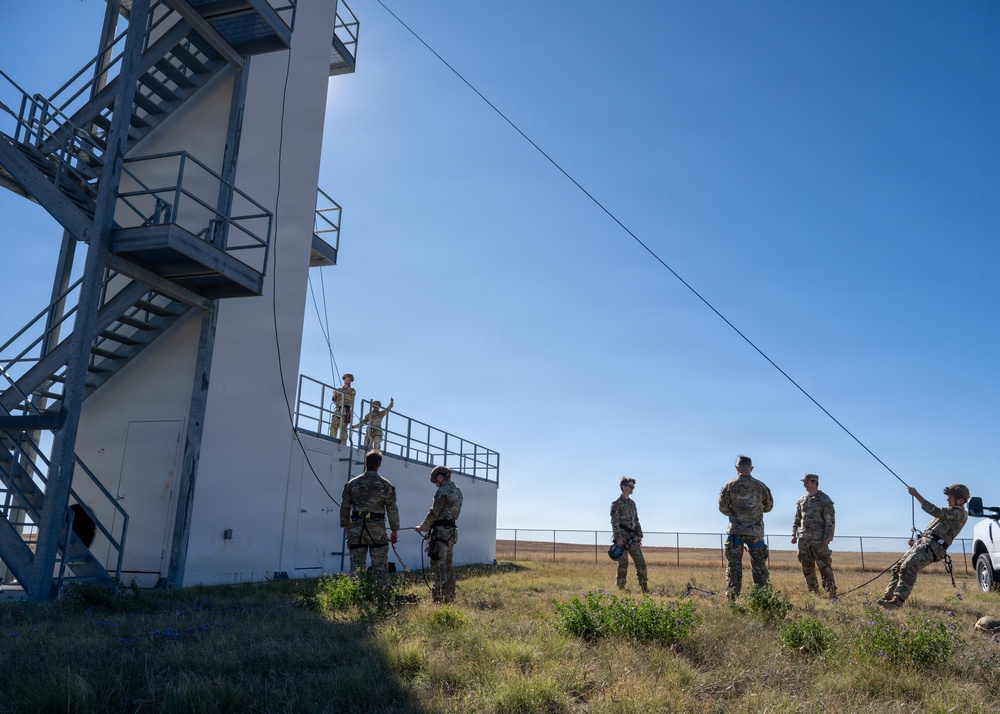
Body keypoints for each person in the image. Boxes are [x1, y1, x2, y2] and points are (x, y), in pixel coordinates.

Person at [877, 483, 969, 609]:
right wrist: (916, 541)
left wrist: (916, 495)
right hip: (924, 543)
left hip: (933, 547)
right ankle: (888, 597)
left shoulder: (959, 513)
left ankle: (898, 601)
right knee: (898, 568)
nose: (947, 499)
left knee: (908, 567)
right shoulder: (950, 512)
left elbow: (934, 510)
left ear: (960, 499)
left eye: (950, 497)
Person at [718, 455, 774, 600]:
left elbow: (723, 508)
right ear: (751, 468)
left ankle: (732, 598)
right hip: (755, 533)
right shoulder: (761, 486)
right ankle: (762, 598)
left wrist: (736, 513)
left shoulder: (729, 486)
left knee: (734, 567)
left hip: (736, 532)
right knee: (759, 567)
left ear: (736, 468)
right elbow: (769, 507)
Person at [339, 450, 400, 581]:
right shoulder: (386, 485)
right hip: (377, 530)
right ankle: (379, 594)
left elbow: (344, 508)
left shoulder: (352, 483)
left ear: (365, 463)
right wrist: (394, 530)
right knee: (379, 566)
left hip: (357, 529)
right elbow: (392, 509)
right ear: (379, 465)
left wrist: (348, 529)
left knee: (356, 567)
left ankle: (355, 595)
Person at [414, 465, 464, 603]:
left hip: (441, 533)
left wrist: (422, 527)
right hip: (452, 532)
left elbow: (434, 512)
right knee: (448, 565)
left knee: (437, 564)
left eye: (436, 481)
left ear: (441, 477)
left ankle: (437, 599)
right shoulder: (458, 491)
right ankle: (450, 597)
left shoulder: (442, 491)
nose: (436, 485)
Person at [791, 473, 837, 596]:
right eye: (804, 482)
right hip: (804, 539)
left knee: (824, 566)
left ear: (814, 482)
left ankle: (831, 592)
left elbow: (830, 521)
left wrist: (827, 537)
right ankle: (813, 592)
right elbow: (797, 518)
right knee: (807, 567)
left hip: (819, 540)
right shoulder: (802, 500)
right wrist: (794, 534)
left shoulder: (824, 500)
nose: (804, 485)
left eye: (806, 482)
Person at [610, 476, 647, 592]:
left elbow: (636, 520)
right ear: (623, 487)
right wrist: (618, 538)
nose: (633, 489)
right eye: (631, 486)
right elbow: (614, 522)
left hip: (632, 538)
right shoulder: (616, 503)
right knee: (623, 564)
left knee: (641, 562)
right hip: (621, 539)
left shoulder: (632, 504)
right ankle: (621, 588)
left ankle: (644, 587)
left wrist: (639, 535)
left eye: (633, 486)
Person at [329, 372, 356, 442]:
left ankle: (343, 443)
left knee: (343, 428)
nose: (348, 380)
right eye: (347, 378)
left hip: (345, 411)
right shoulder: (339, 389)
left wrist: (340, 392)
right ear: (344, 379)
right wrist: (335, 394)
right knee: (333, 425)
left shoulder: (352, 390)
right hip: (338, 409)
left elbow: (350, 397)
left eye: (349, 379)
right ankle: (332, 440)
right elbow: (335, 400)